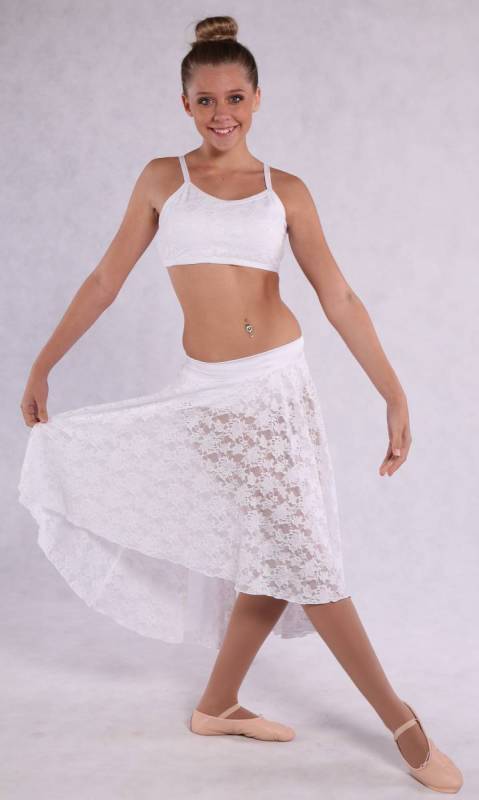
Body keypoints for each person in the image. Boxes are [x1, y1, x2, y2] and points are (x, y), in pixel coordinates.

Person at [18, 14, 462, 794]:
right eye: (205, 100)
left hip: (275, 387)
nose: (220, 113)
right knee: (278, 551)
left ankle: (396, 722)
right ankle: (222, 705)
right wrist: (43, 364)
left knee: (297, 553)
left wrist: (392, 392)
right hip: (208, 396)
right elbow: (104, 280)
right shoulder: (162, 180)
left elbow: (339, 297)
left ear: (256, 99)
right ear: (184, 104)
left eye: (234, 98)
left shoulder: (284, 191)